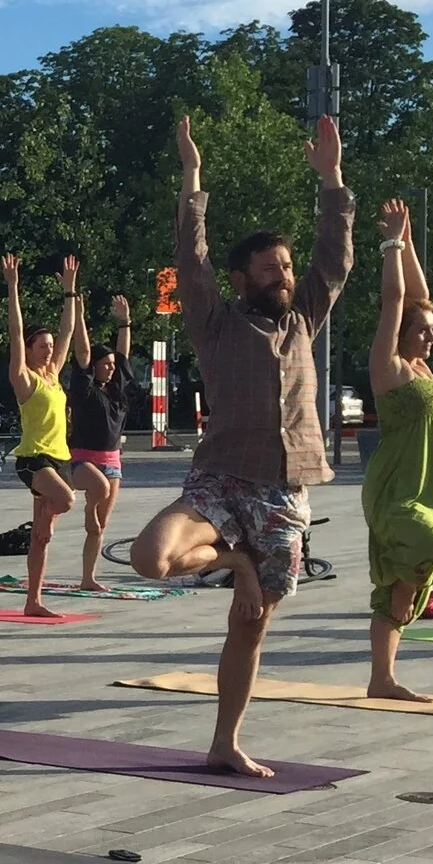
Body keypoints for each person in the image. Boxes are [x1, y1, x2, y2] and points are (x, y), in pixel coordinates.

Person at [129, 112, 352, 777]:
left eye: (286, 265)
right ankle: (235, 563)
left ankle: (225, 741)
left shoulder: (303, 319)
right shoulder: (217, 323)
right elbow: (189, 260)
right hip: (222, 481)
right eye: (270, 267)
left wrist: (332, 179)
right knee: (150, 557)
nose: (284, 274)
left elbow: (335, 260)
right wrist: (192, 175)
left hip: (286, 492)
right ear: (241, 278)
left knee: (249, 626)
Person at [363, 199, 433, 701]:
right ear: (400, 333)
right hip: (398, 489)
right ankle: (403, 592)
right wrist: (391, 245)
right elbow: (397, 299)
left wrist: (410, 239)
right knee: (429, 547)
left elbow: (420, 298)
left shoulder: (423, 367)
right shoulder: (391, 367)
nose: (432, 336)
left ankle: (382, 678)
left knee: (407, 583)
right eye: (423, 331)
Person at [1, 253, 80, 620]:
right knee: (65, 500)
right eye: (42, 346)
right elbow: (16, 332)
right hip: (34, 459)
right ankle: (45, 514)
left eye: (50, 346)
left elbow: (67, 331)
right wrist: (12, 287)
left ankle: (33, 600)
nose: (49, 350)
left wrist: (70, 291)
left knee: (41, 538)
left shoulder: (54, 374)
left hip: (60, 458)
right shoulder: (25, 379)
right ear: (31, 350)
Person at [64, 292, 135, 589]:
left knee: (100, 527)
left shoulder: (116, 391)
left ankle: (87, 578)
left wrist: (125, 322)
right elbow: (82, 353)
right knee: (100, 488)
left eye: (111, 365)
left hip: (112, 462)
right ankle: (88, 508)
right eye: (104, 364)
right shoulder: (85, 389)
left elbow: (123, 356)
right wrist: (79, 317)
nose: (110, 367)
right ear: (94, 367)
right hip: (82, 460)